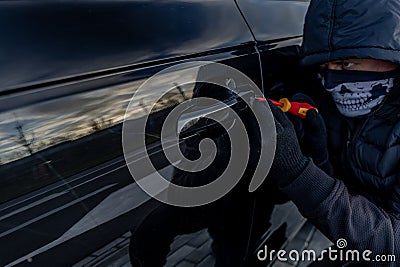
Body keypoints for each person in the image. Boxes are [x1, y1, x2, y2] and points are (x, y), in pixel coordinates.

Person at [266, 0, 400, 266]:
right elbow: (360, 195)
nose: (331, 83)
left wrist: (299, 173)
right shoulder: (346, 107)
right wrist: (320, 160)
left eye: (346, 65)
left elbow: (393, 244)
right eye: (324, 68)